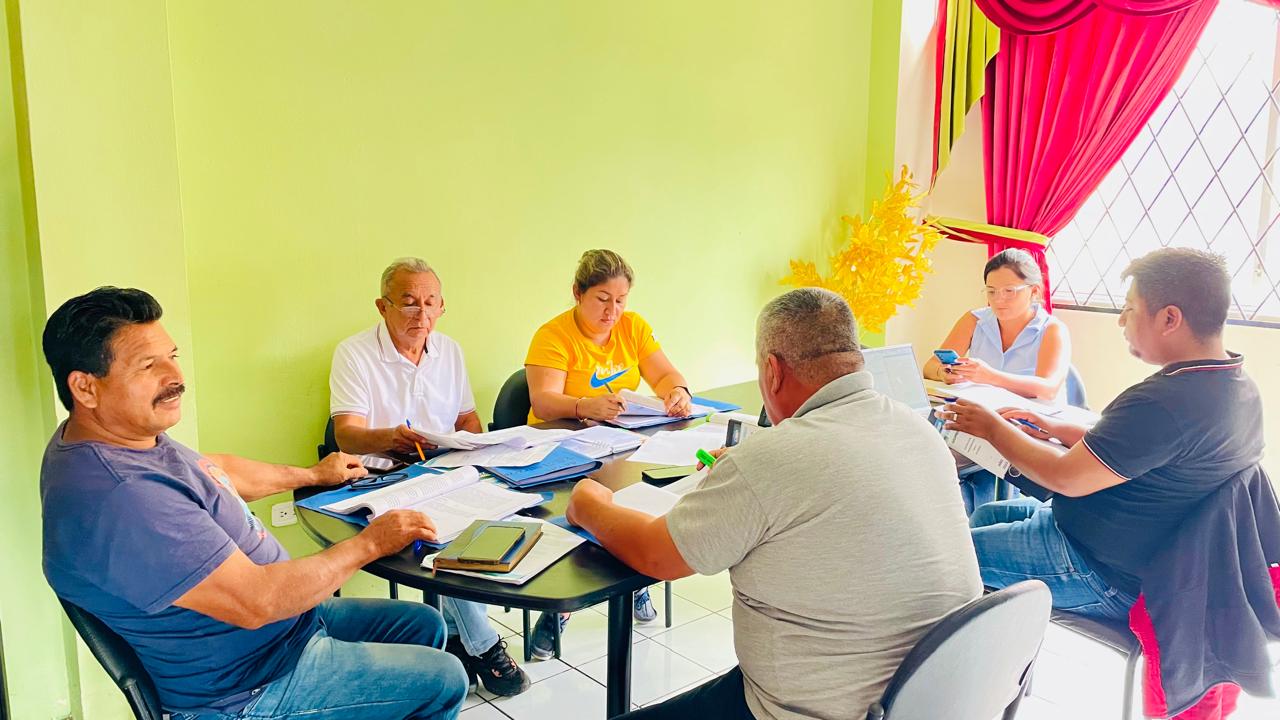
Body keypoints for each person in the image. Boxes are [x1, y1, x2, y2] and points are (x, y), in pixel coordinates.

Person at [40, 287, 467, 720]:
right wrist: (370, 544)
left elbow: (215, 471)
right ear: (85, 387)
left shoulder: (120, 439)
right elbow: (258, 601)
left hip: (282, 632)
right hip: (248, 686)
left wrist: (313, 474)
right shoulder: (124, 497)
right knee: (445, 677)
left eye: (172, 356)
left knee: (423, 625)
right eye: (149, 366)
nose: (175, 377)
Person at [566, 288, 982, 720]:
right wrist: (749, 472)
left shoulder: (771, 461)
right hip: (934, 696)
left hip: (817, 709)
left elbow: (655, 556)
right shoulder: (916, 428)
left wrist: (588, 502)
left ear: (772, 371)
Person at [944, 248, 1261, 621]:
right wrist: (1054, 426)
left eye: (1129, 308)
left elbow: (1065, 477)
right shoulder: (1234, 386)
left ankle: (963, 637)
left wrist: (991, 427)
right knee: (983, 517)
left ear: (1169, 318)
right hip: (1112, 539)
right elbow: (1131, 448)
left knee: (947, 557)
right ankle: (986, 624)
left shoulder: (1165, 402)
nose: (1121, 321)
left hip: (1099, 568)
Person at [328, 258, 529, 696]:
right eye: (408, 303)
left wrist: (476, 450)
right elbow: (345, 434)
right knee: (443, 534)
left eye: (430, 303)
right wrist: (391, 438)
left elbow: (467, 419)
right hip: (383, 476)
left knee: (494, 517)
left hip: (444, 469)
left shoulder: (449, 350)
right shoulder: (354, 353)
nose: (421, 314)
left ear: (441, 307)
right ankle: (485, 646)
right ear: (382, 306)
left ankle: (455, 638)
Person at [523, 249, 693, 656]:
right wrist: (585, 405)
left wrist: (677, 391)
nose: (612, 311)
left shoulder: (633, 327)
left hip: (618, 444)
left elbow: (664, 373)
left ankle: (633, 578)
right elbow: (543, 402)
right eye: (602, 299)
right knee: (585, 509)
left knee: (644, 497)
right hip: (560, 449)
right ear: (578, 293)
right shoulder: (553, 335)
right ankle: (561, 610)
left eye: (620, 301)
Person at [922, 248, 1074, 513]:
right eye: (991, 291)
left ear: (1034, 292)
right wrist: (946, 373)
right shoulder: (975, 320)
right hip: (978, 418)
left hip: (1027, 426)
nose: (999, 299)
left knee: (940, 462)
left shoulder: (1052, 329)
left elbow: (1048, 388)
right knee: (926, 451)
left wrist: (991, 376)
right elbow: (930, 367)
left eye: (1009, 291)